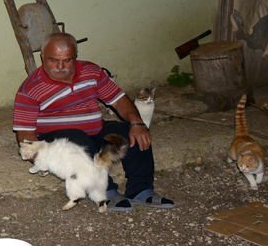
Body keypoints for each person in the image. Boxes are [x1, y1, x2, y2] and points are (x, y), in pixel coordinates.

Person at [13, 32, 173, 211]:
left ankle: (140, 189)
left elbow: (118, 100)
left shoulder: (91, 72)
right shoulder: (30, 88)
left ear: (76, 55)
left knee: (130, 130)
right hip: (58, 140)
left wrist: (137, 123)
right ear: (42, 55)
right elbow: (25, 133)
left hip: (94, 132)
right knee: (76, 138)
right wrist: (40, 160)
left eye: (67, 60)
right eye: (53, 60)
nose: (60, 66)